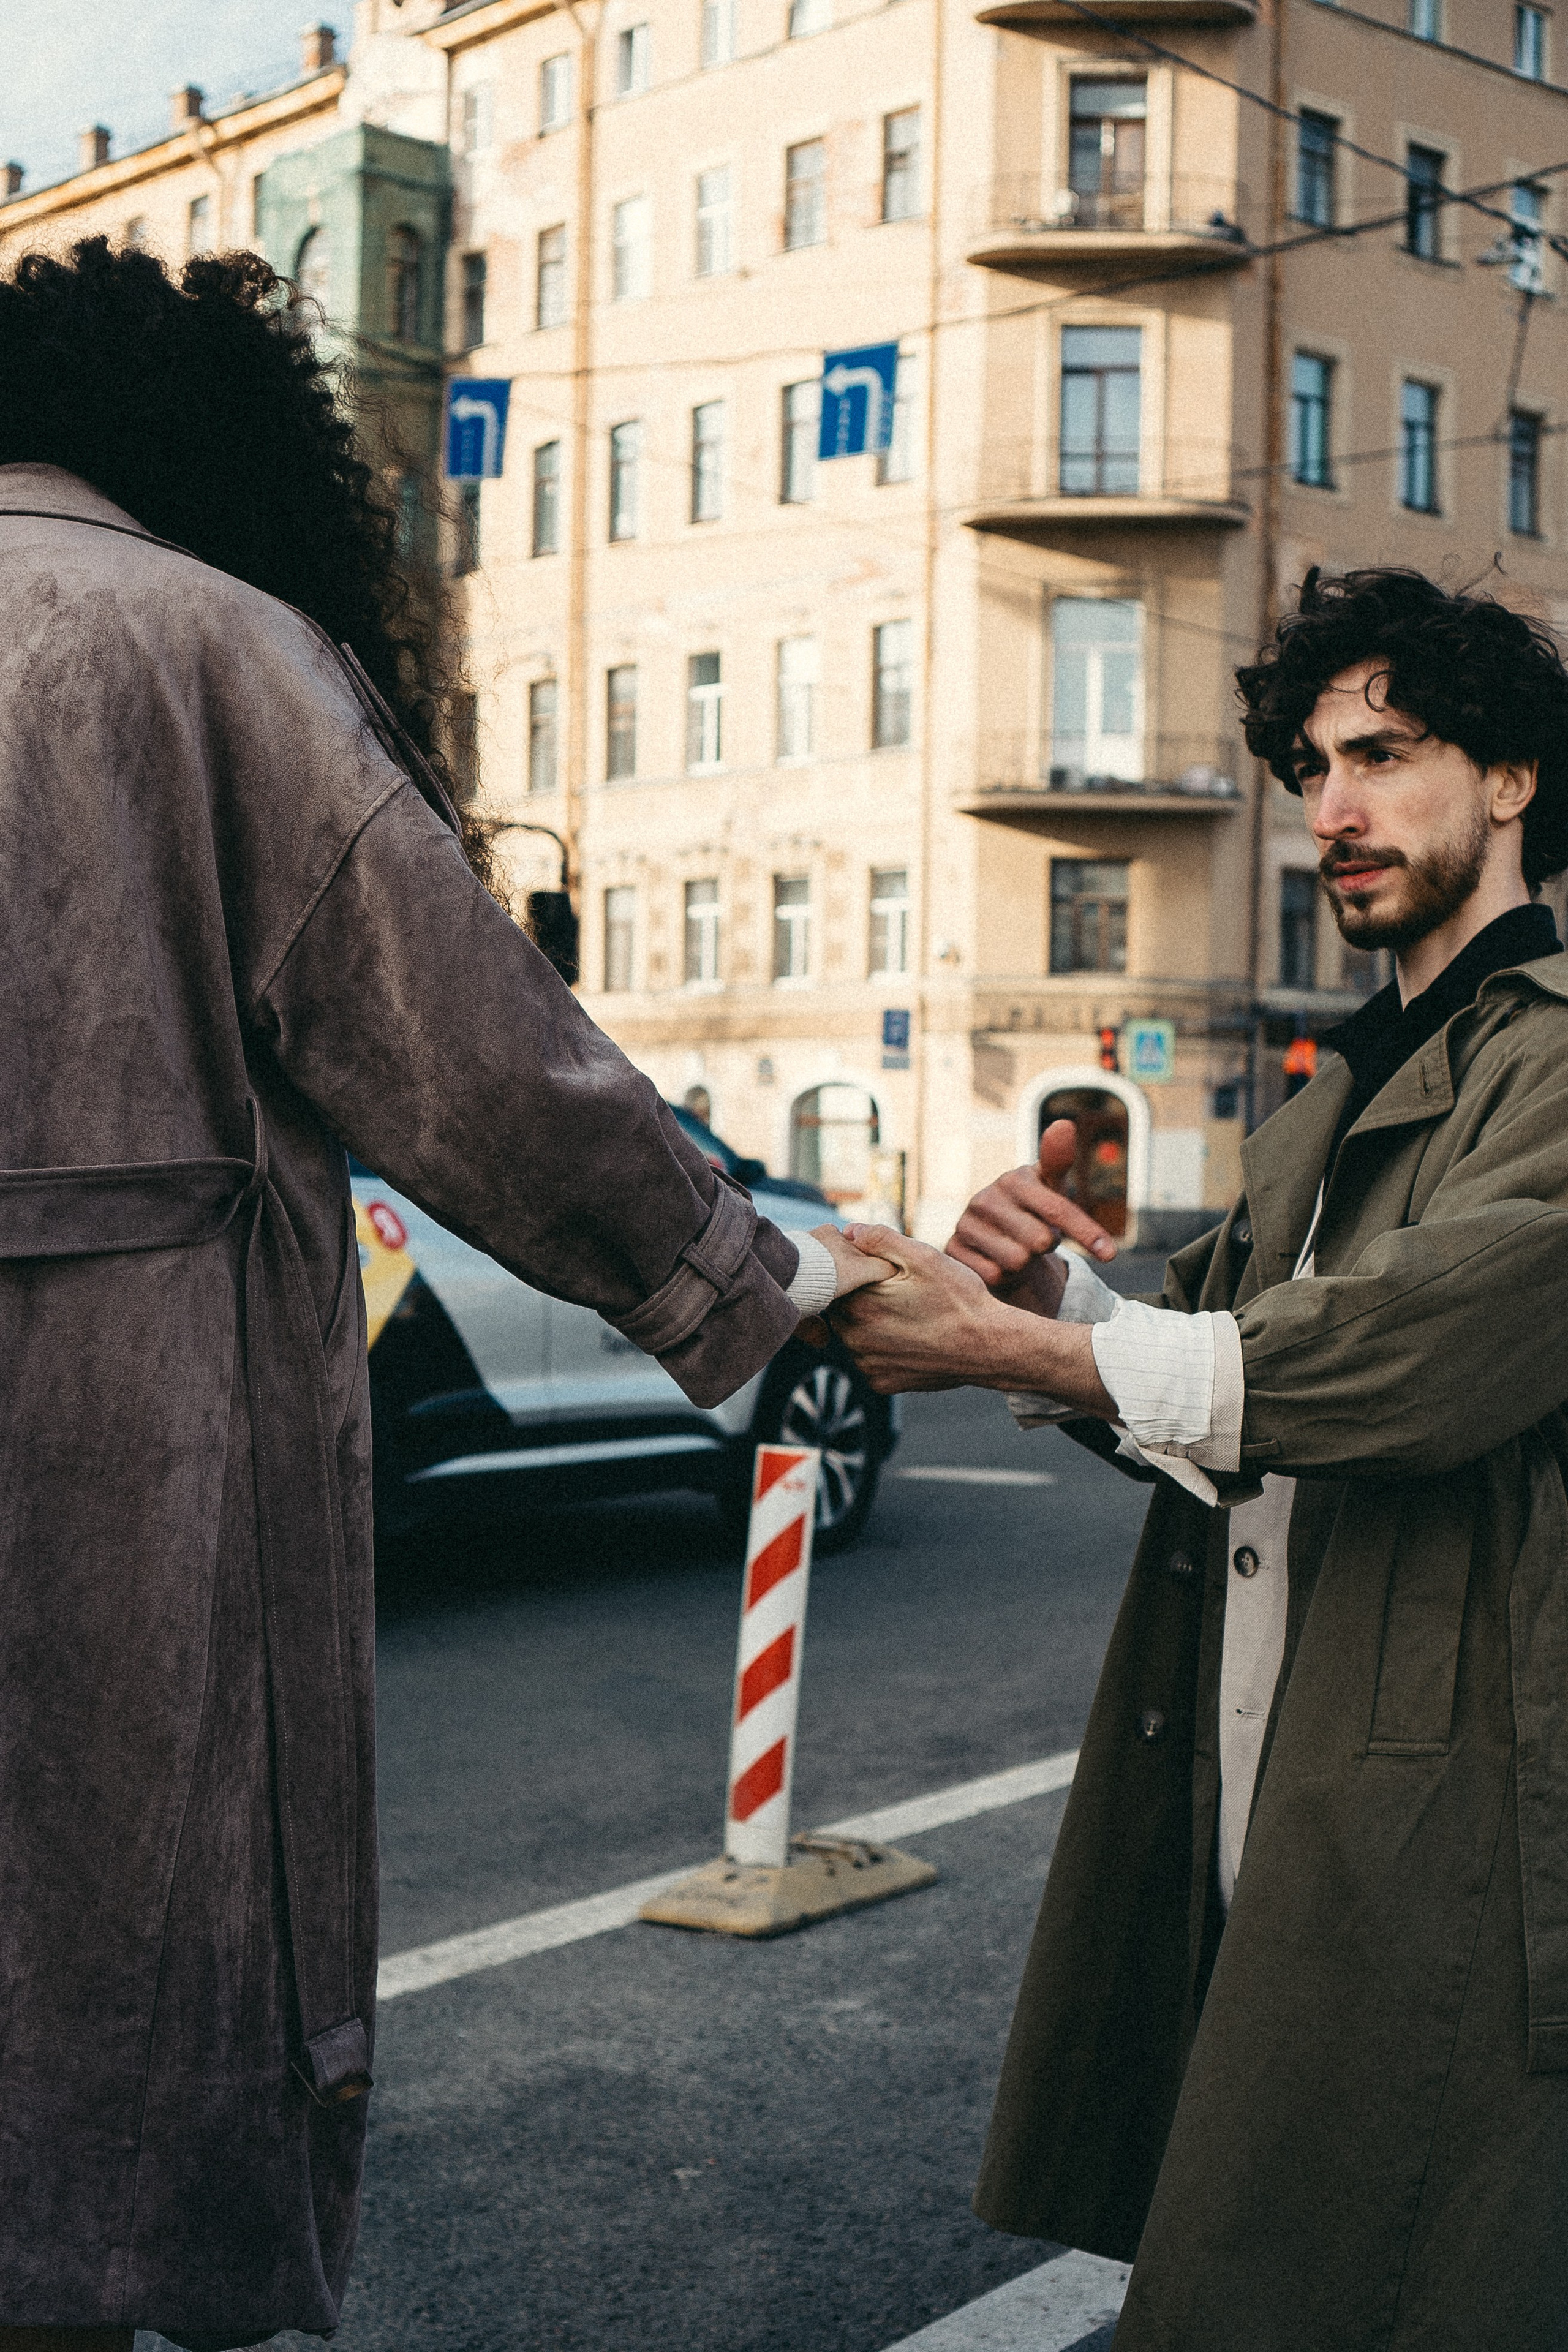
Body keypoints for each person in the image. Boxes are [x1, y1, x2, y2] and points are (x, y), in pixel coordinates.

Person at [0, 238, 883, 2352]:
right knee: (94, 2067)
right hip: (124, 1476)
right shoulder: (198, 642)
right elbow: (481, 1057)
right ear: (204, 440)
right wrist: (760, 1291)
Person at [833, 568, 1568, 2350]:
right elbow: (1215, 1419)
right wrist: (1039, 1289)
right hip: (1269, 1768)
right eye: (1312, 769)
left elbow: (1402, 1358)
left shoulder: (1547, 1061)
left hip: (1443, 1801)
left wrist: (1024, 1347)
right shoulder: (1326, 1099)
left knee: (1400, 2260)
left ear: (1511, 782)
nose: (1335, 811)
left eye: (1384, 755)